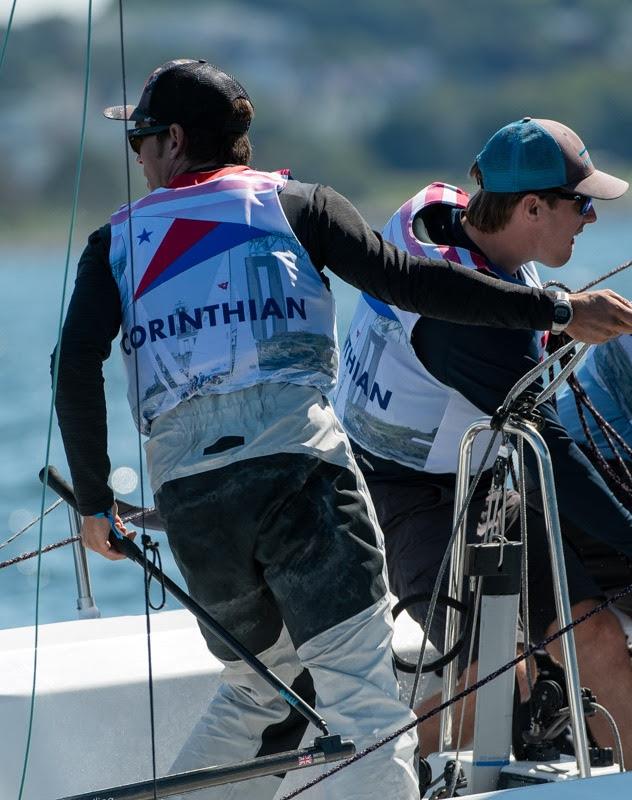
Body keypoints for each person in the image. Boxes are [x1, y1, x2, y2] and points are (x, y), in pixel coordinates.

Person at [52, 60, 632, 800]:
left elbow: (73, 369)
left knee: (260, 691)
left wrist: (95, 504)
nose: (136, 157)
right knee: (361, 703)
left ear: (173, 140)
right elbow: (414, 281)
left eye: (138, 140)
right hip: (307, 485)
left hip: (197, 504)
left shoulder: (114, 242)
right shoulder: (299, 205)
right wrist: (555, 310)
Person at [333, 117, 632, 765]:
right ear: (530, 206)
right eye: (580, 204)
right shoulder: (468, 330)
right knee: (500, 685)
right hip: (406, 488)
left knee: (599, 641)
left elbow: (497, 309)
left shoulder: (441, 210)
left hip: (483, 470)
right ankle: (360, 772)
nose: (590, 219)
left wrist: (557, 315)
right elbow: (549, 449)